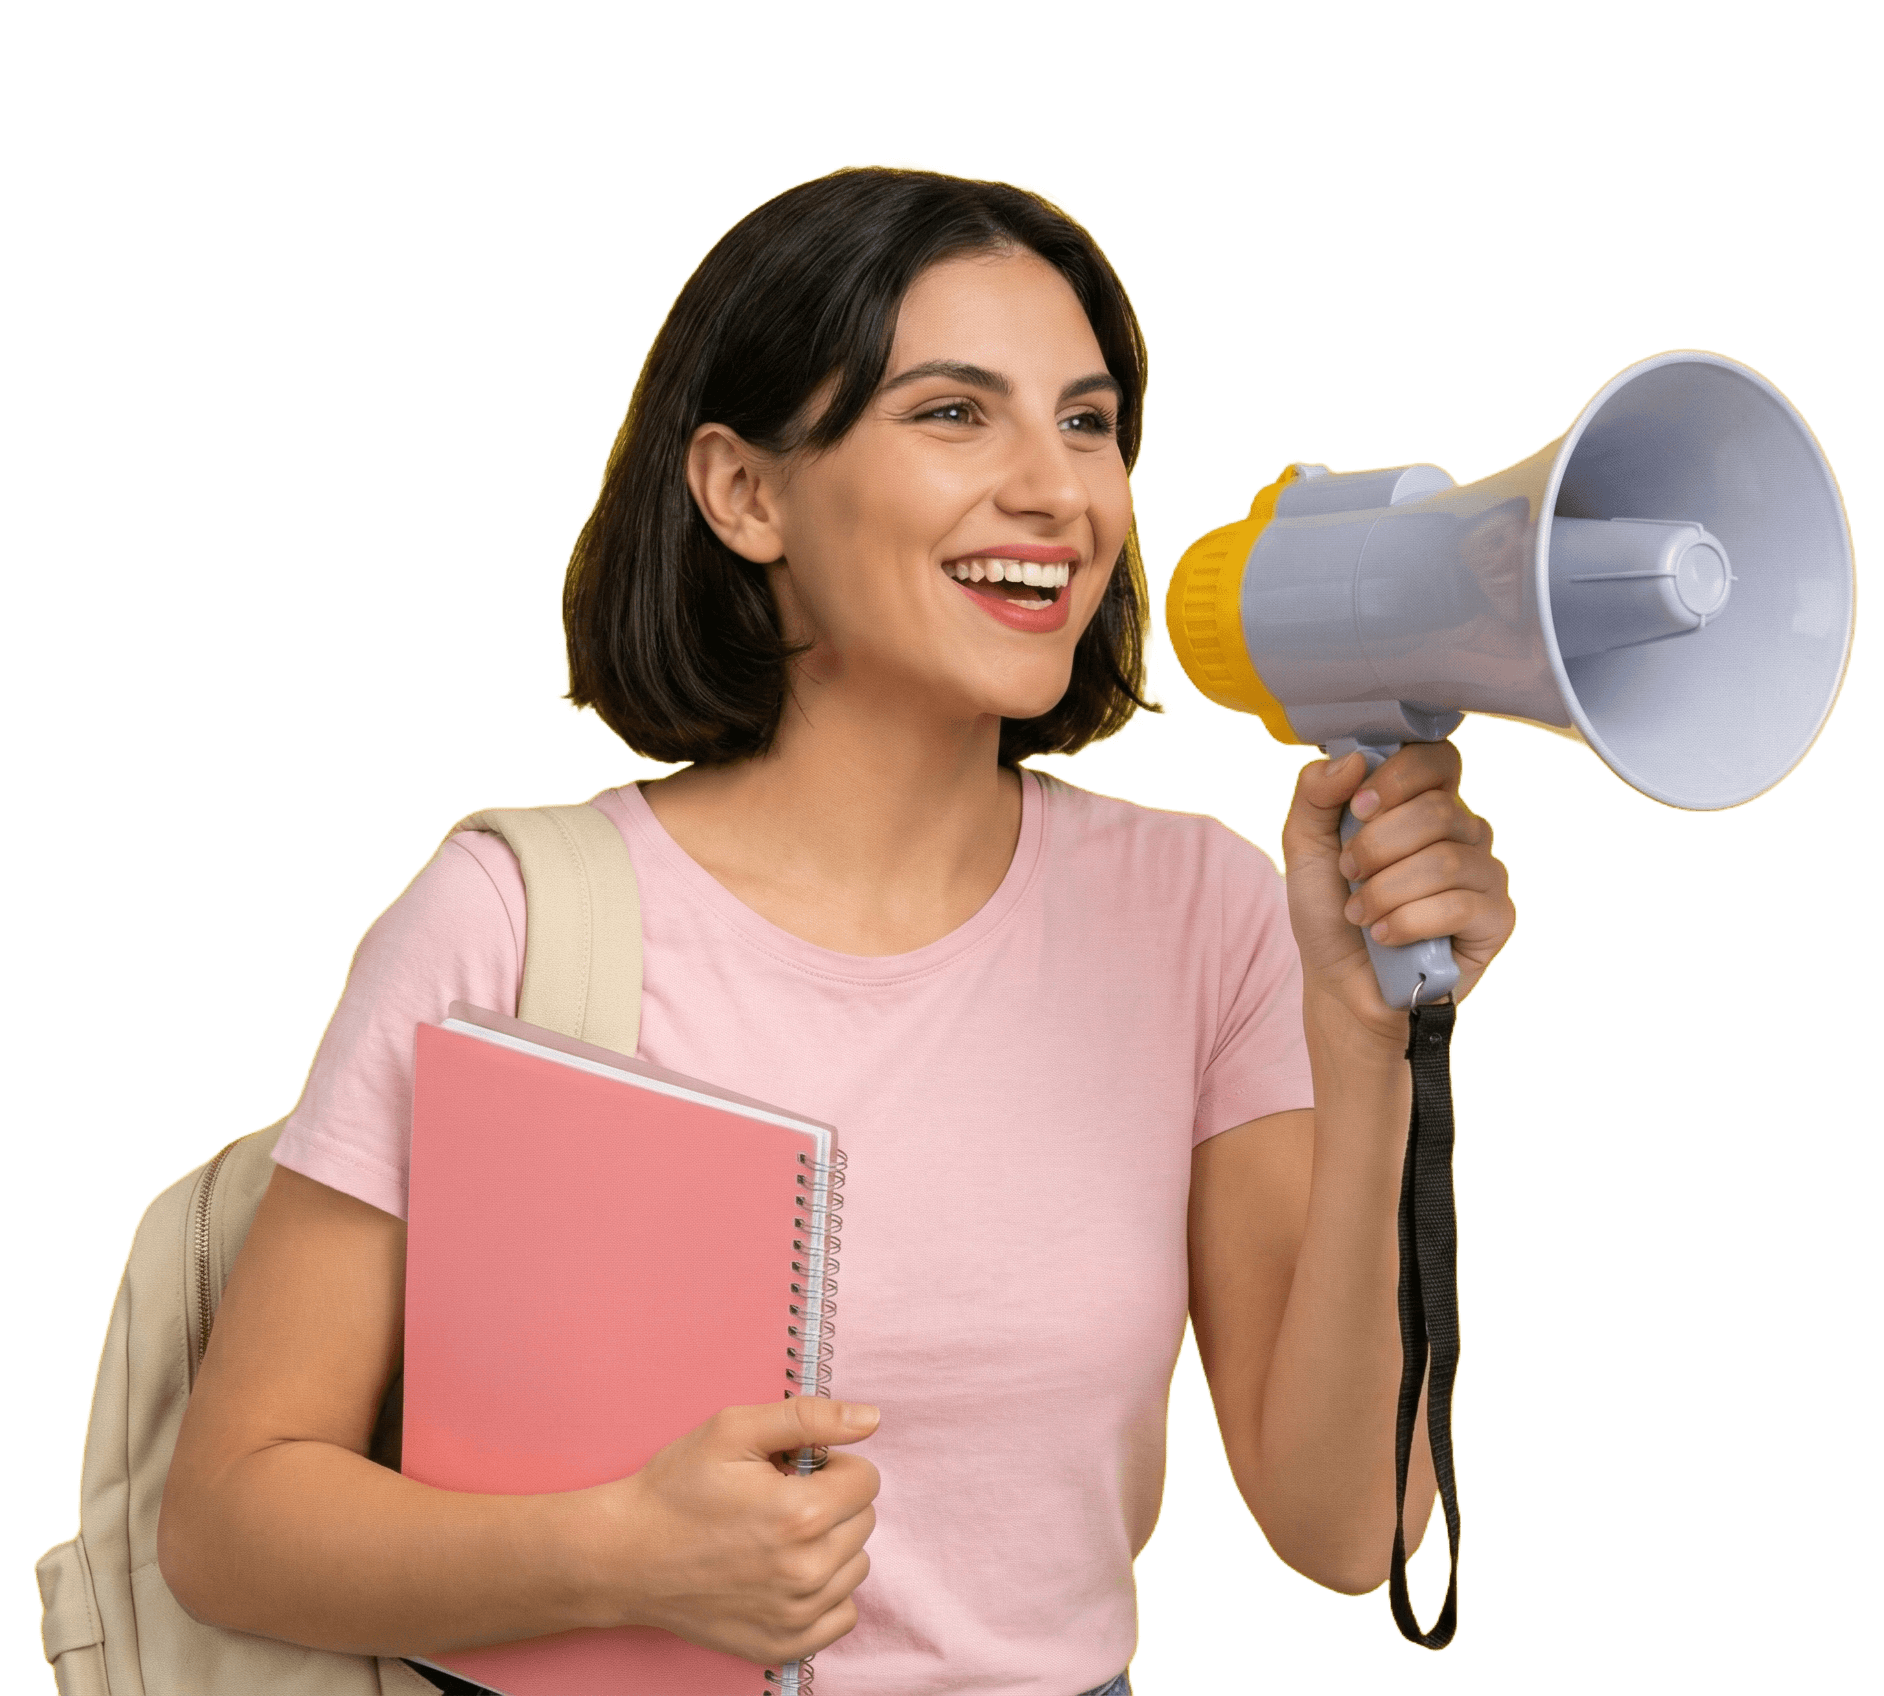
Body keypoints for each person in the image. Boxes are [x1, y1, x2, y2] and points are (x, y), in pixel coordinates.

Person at [157, 162, 1515, 1696]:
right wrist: (618, 1554)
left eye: (1088, 422)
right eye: (953, 413)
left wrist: (1368, 1046)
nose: (1057, 491)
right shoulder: (512, 919)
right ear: (744, 491)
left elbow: (1347, 1527)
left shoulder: (1197, 910)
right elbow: (227, 1517)